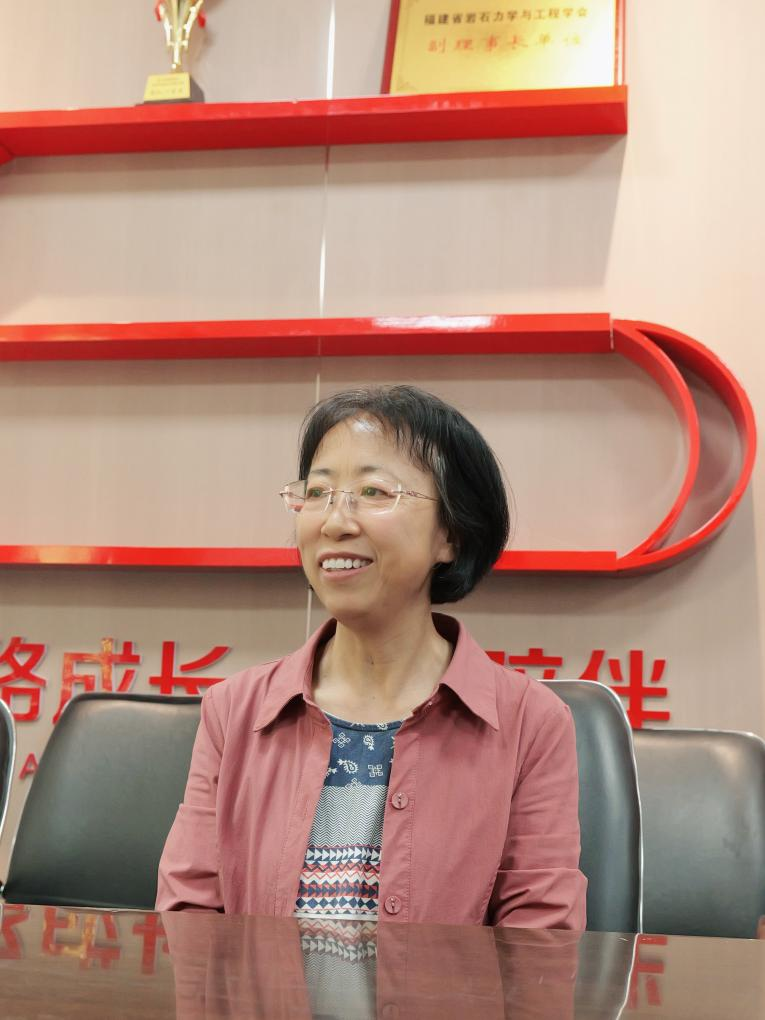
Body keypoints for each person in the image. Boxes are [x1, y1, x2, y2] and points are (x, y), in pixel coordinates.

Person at [156, 385, 587, 928]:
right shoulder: (234, 710)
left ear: (451, 534)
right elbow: (189, 922)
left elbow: (538, 945)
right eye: (318, 493)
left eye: (373, 491)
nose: (335, 522)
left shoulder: (530, 723)